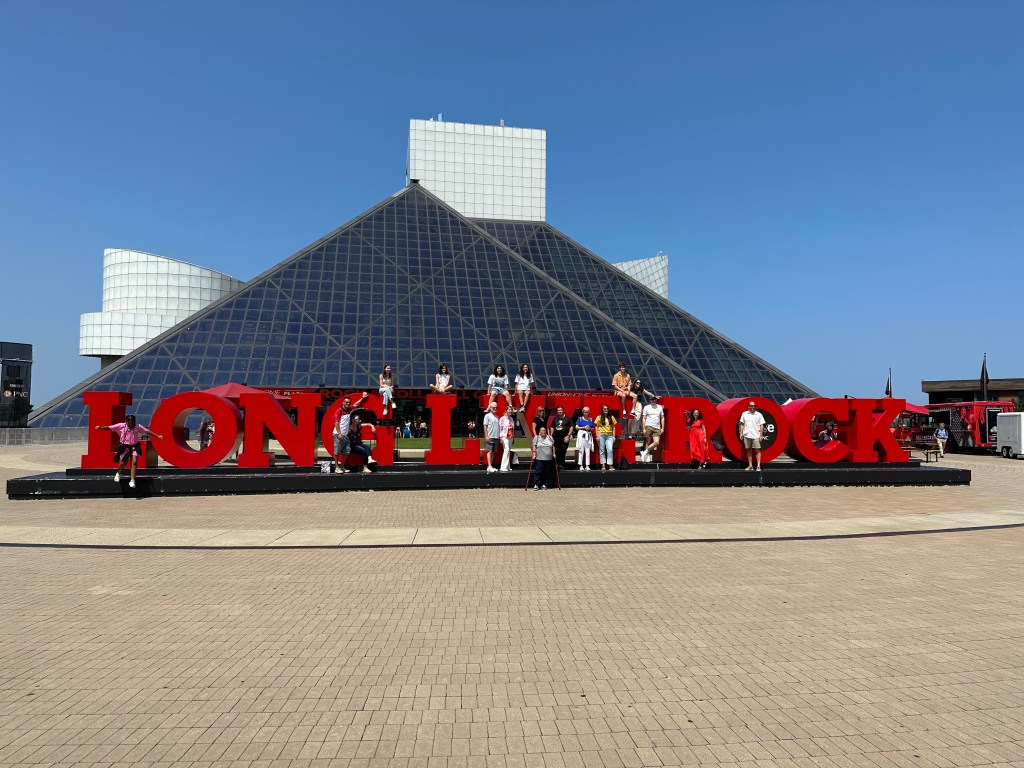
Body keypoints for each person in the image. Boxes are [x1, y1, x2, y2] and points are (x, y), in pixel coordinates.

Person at [95, 415, 164, 489]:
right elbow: (110, 427)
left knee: (134, 462)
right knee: (123, 462)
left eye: (132, 422)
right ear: (126, 421)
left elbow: (147, 431)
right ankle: (118, 473)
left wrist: (157, 436)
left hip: (134, 447)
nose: (130, 424)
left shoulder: (138, 426)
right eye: (129, 422)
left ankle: (132, 480)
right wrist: (100, 428)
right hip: (125, 447)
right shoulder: (121, 426)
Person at [333, 391, 369, 473]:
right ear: (343, 402)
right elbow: (336, 422)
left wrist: (363, 398)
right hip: (338, 435)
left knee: (347, 451)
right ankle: (336, 467)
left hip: (345, 436)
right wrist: (339, 433)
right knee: (336, 452)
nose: (347, 403)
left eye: (349, 402)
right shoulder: (338, 411)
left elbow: (356, 405)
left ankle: (342, 466)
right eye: (346, 402)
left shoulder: (349, 410)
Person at [738, 400, 766, 471]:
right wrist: (741, 433)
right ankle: (750, 465)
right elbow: (742, 424)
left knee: (757, 450)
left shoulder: (759, 414)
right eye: (751, 406)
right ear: (748, 406)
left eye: (754, 406)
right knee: (749, 450)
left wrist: (761, 435)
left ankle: (758, 466)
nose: (752, 407)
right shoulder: (744, 414)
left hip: (756, 435)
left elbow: (762, 425)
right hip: (747, 435)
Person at [640, 395, 665, 462]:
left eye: (655, 399)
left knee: (656, 442)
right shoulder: (646, 407)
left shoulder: (660, 407)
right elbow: (644, 418)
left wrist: (662, 428)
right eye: (652, 399)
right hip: (648, 426)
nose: (654, 400)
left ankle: (644, 452)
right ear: (650, 400)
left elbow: (662, 418)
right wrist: (644, 428)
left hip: (657, 427)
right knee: (648, 441)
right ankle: (647, 456)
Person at [531, 425, 555, 490]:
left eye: (544, 430)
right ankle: (536, 484)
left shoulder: (550, 437)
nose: (544, 432)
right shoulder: (537, 438)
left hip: (548, 458)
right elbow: (534, 446)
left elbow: (553, 446)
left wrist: (554, 453)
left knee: (546, 472)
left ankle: (544, 484)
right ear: (539, 432)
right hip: (539, 458)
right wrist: (534, 454)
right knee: (538, 471)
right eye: (542, 430)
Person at [596, 404, 618, 471]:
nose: (606, 410)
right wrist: (597, 436)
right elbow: (596, 427)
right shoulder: (599, 417)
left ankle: (610, 465)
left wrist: (614, 436)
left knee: (610, 449)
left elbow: (614, 427)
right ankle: (603, 465)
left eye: (607, 409)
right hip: (601, 435)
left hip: (609, 436)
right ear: (602, 410)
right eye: (604, 409)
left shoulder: (611, 417)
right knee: (602, 450)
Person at [574, 406, 596, 470]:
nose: (586, 413)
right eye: (585, 412)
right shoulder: (580, 419)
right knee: (581, 449)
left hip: (588, 434)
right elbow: (576, 427)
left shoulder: (591, 419)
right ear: (583, 412)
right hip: (581, 434)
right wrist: (584, 427)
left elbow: (593, 428)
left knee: (587, 450)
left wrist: (589, 428)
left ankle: (587, 465)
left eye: (587, 412)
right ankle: (580, 465)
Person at [483, 402, 501, 473]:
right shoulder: (487, 416)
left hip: (496, 436)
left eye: (496, 407)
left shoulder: (497, 417)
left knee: (493, 452)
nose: (495, 408)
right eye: (493, 407)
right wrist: (486, 436)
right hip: (490, 436)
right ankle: (489, 466)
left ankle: (491, 466)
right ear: (490, 408)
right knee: (489, 451)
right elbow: (485, 426)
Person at [498, 404, 516, 472]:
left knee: (508, 451)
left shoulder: (511, 419)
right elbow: (500, 428)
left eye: (511, 410)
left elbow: (512, 429)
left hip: (510, 437)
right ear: (506, 410)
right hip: (504, 436)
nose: (510, 411)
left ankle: (508, 466)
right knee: (506, 450)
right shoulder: (502, 418)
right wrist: (500, 437)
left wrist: (513, 438)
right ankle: (503, 467)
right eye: (509, 409)